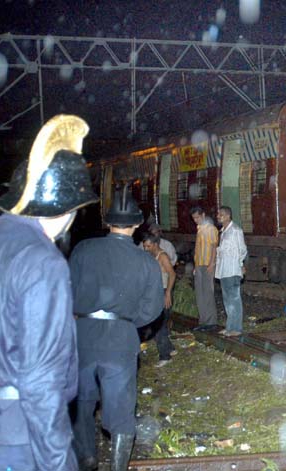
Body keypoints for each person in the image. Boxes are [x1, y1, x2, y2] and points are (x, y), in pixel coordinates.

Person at [0, 115, 98, 471]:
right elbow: (41, 380)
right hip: (14, 440)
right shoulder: (42, 261)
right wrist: (58, 462)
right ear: (67, 211)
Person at [69, 184, 164, 471]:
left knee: (80, 402)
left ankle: (86, 456)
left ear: (107, 221)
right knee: (121, 409)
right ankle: (118, 465)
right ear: (136, 225)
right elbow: (153, 309)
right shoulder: (146, 262)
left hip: (82, 335)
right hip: (120, 340)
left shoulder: (83, 250)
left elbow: (66, 290)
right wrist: (126, 323)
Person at [142, 232, 177, 367]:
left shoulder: (162, 256)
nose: (146, 249)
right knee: (159, 324)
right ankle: (170, 349)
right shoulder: (150, 256)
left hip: (163, 292)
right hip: (155, 293)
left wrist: (168, 293)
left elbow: (172, 274)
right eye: (145, 246)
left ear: (155, 244)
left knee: (157, 325)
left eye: (148, 246)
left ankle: (165, 356)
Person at [215, 206, 248, 337]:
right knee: (227, 300)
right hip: (224, 270)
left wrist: (240, 265)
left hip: (232, 270)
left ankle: (237, 328)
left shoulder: (235, 231)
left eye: (221, 214)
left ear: (228, 216)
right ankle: (229, 327)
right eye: (218, 214)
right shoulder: (223, 232)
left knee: (234, 299)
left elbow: (242, 250)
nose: (218, 216)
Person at [190, 206, 219, 331]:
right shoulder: (200, 229)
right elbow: (198, 249)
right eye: (194, 218)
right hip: (199, 264)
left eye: (197, 217)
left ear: (203, 215)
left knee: (208, 293)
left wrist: (212, 264)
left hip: (207, 264)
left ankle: (211, 322)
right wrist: (195, 266)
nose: (195, 220)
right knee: (200, 294)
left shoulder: (211, 229)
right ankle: (203, 321)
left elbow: (214, 247)